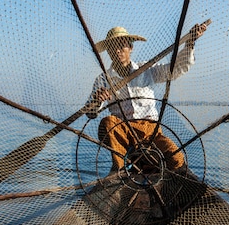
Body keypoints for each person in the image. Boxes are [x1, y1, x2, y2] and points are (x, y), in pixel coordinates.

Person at [86, 22, 207, 173]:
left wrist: (190, 42)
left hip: (151, 131)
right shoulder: (103, 80)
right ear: (108, 52)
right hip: (124, 132)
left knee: (176, 160)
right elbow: (90, 112)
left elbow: (176, 69)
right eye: (112, 47)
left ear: (130, 48)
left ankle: (147, 162)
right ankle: (122, 169)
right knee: (108, 122)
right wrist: (97, 101)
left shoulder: (146, 69)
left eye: (122, 46)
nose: (117, 50)